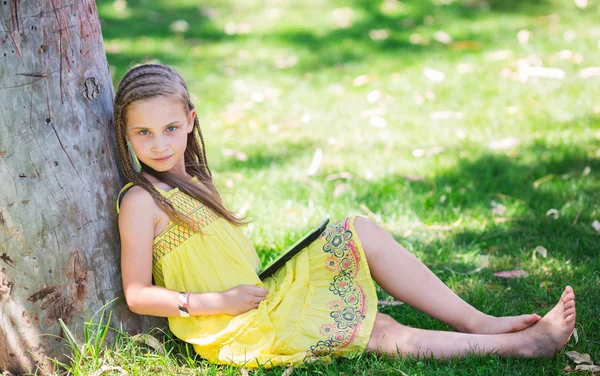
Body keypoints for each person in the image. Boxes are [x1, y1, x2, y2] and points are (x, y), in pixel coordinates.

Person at [113, 64, 576, 367]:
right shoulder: (141, 201)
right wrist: (216, 303)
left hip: (260, 296)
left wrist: (248, 289)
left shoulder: (191, 179)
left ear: (191, 121)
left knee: (359, 231)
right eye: (144, 133)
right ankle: (521, 345)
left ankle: (477, 321)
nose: (159, 144)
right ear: (126, 135)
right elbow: (136, 294)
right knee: (376, 329)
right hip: (237, 325)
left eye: (171, 128)